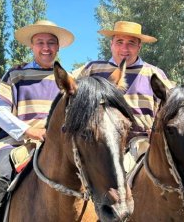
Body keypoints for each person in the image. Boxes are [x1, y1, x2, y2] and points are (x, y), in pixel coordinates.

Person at [0, 20, 74, 222]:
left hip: (58, 145)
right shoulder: (15, 74)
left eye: (51, 42)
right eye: (40, 42)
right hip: (17, 142)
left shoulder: (68, 79)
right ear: (32, 46)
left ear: (57, 47)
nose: (46, 48)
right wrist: (28, 131)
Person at [74, 21, 172, 170]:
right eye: (119, 42)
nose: (124, 48)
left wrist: (159, 129)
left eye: (131, 43)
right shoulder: (92, 68)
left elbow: (172, 107)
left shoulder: (154, 73)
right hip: (96, 139)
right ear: (111, 44)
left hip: (139, 141)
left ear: (139, 47)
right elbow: (68, 93)